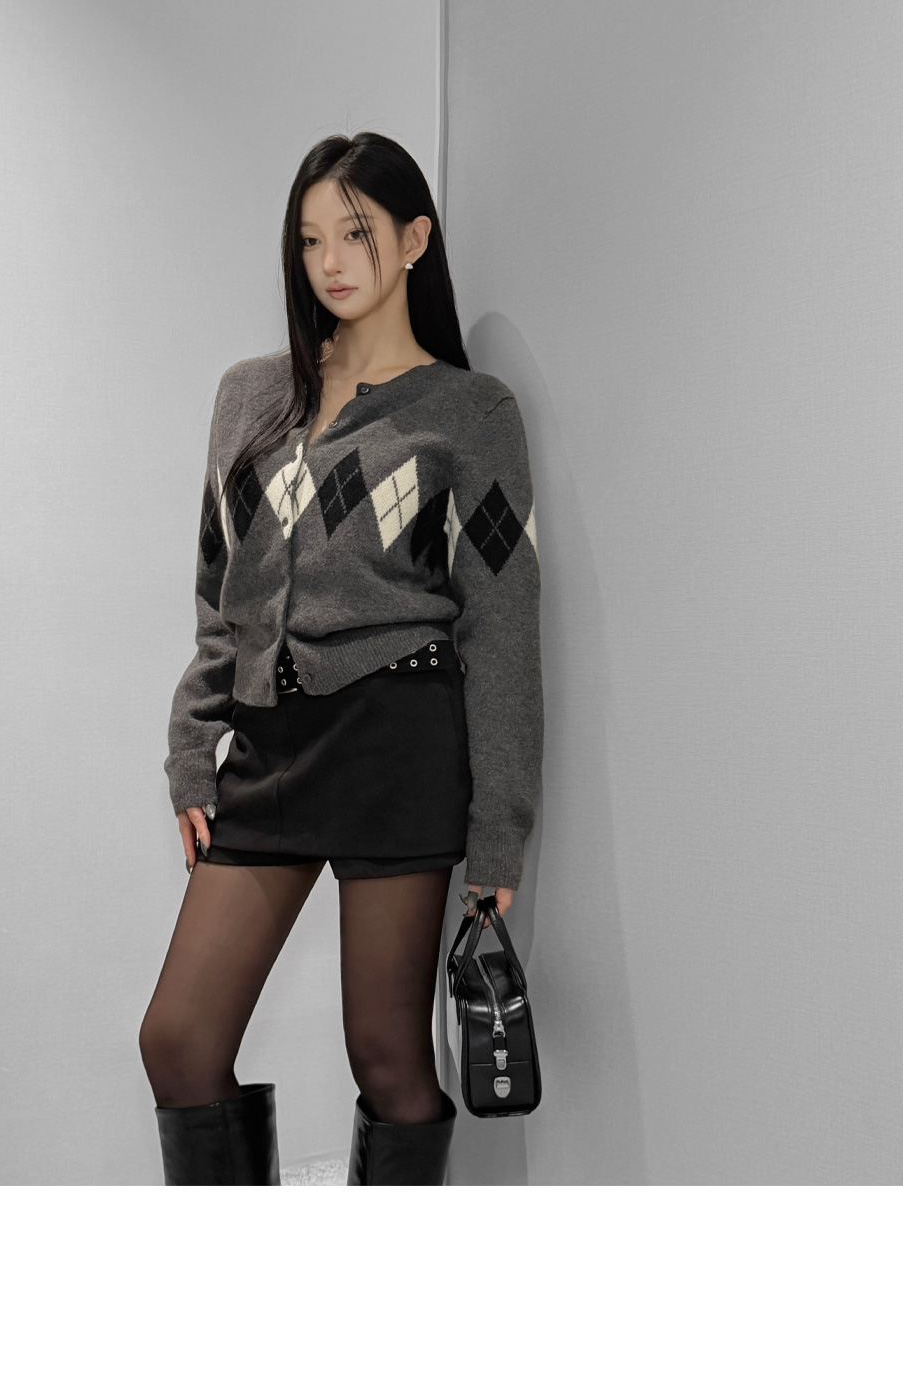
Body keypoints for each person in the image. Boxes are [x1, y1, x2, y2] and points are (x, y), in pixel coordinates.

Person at [138, 130, 544, 1185]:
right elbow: (218, 599)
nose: (329, 262)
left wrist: (496, 836)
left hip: (397, 741)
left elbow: (501, 628)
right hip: (267, 749)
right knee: (178, 1041)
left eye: (355, 234)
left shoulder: (469, 413)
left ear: (414, 239)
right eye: (310, 239)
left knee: (388, 1054)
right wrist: (192, 754)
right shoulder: (249, 396)